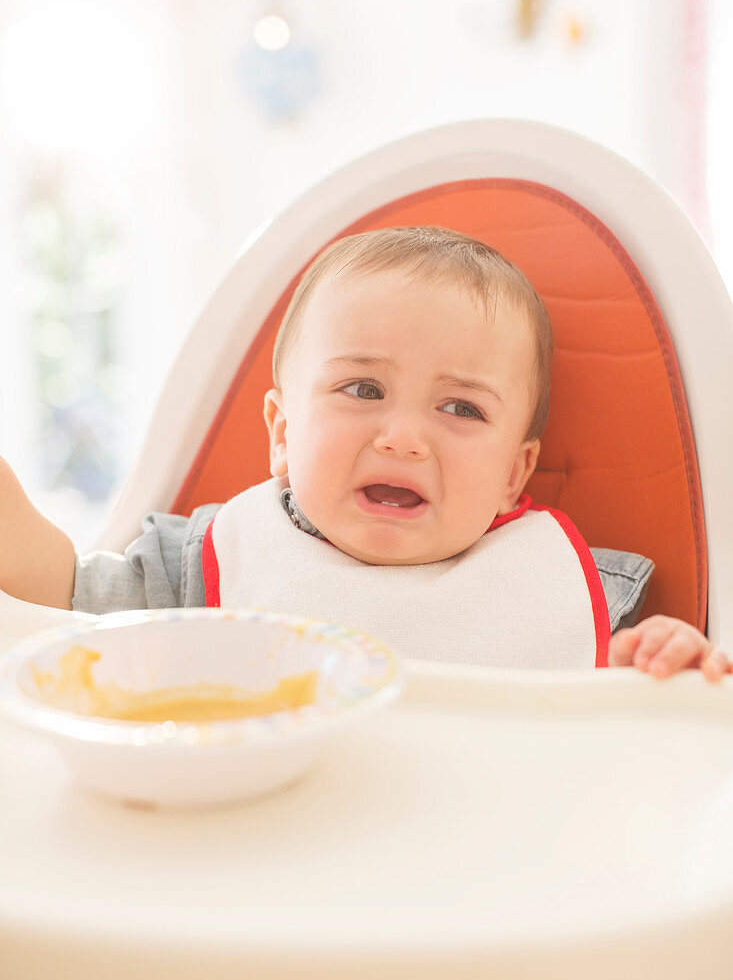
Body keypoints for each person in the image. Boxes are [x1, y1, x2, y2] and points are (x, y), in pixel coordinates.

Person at [0, 226, 726, 679]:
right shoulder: (210, 564)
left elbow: (642, 743)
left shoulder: (563, 589)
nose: (403, 437)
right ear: (282, 434)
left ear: (513, 474)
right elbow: (62, 602)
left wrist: (666, 662)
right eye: (362, 388)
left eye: (460, 408)